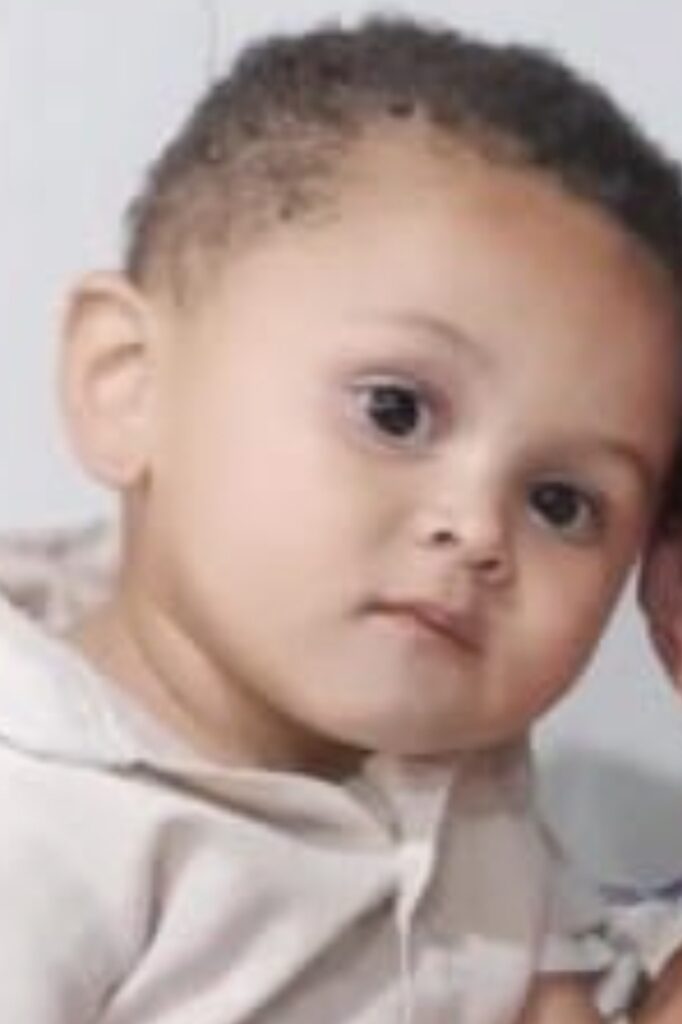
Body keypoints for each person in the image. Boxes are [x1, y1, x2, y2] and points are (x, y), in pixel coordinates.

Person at [4, 15, 682, 1023]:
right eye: (395, 411)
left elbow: (553, 997)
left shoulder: (467, 766)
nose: (478, 530)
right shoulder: (45, 827)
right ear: (128, 386)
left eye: (560, 502)